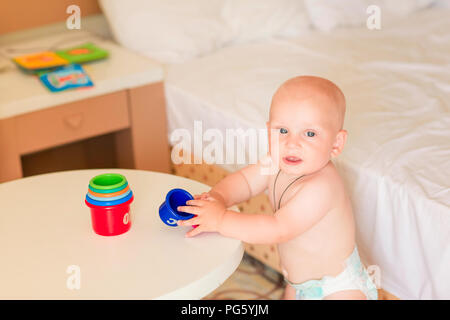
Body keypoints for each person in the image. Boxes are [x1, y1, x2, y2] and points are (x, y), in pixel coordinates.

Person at [177, 75, 378, 300]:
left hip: (338, 289)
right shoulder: (273, 163)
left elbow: (278, 228)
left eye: (310, 134)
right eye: (282, 131)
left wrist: (221, 220)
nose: (292, 143)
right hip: (298, 283)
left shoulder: (321, 187)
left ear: (336, 144)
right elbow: (244, 182)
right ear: (268, 129)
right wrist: (218, 198)